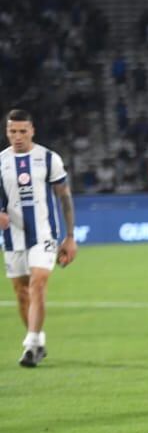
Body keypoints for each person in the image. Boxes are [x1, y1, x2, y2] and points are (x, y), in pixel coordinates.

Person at [1, 110, 78, 367]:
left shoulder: (48, 159)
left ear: (32, 130)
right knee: (22, 293)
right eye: (13, 131)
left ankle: (30, 345)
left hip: (44, 233)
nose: (18, 136)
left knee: (38, 283)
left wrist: (69, 237)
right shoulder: (1, 161)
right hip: (12, 236)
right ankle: (38, 341)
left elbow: (64, 197)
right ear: (7, 132)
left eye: (23, 131)